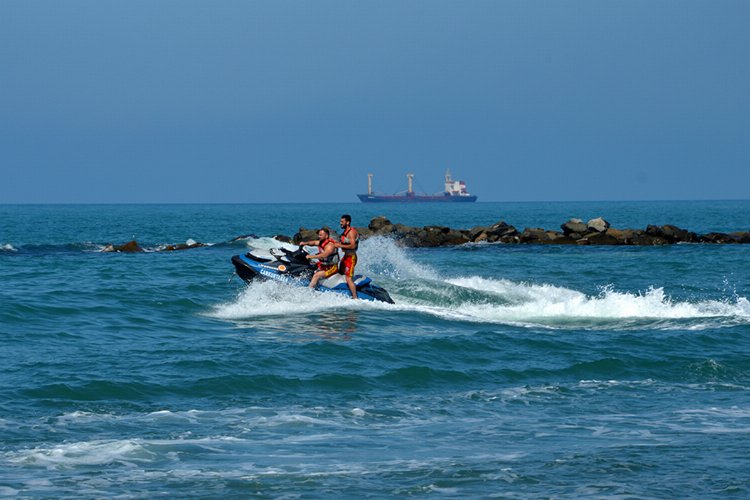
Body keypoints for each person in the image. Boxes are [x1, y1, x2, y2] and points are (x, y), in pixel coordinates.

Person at [334, 214, 359, 299]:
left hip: (351, 258)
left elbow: (352, 246)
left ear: (347, 222)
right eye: (340, 221)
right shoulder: (345, 232)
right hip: (346, 257)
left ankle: (355, 297)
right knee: (340, 271)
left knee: (348, 278)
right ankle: (341, 289)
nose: (340, 223)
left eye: (342, 222)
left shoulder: (351, 232)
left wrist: (340, 246)